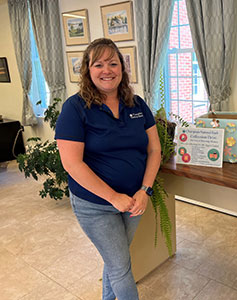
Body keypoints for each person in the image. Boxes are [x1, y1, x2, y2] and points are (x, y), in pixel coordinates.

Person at [55, 38, 161, 300]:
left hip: (134, 200)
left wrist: (145, 191)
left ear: (122, 69)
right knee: (121, 266)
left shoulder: (136, 104)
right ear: (87, 71)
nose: (107, 70)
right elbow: (71, 164)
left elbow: (154, 150)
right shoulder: (75, 108)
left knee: (116, 259)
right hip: (95, 205)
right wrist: (113, 198)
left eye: (113, 63)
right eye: (99, 64)